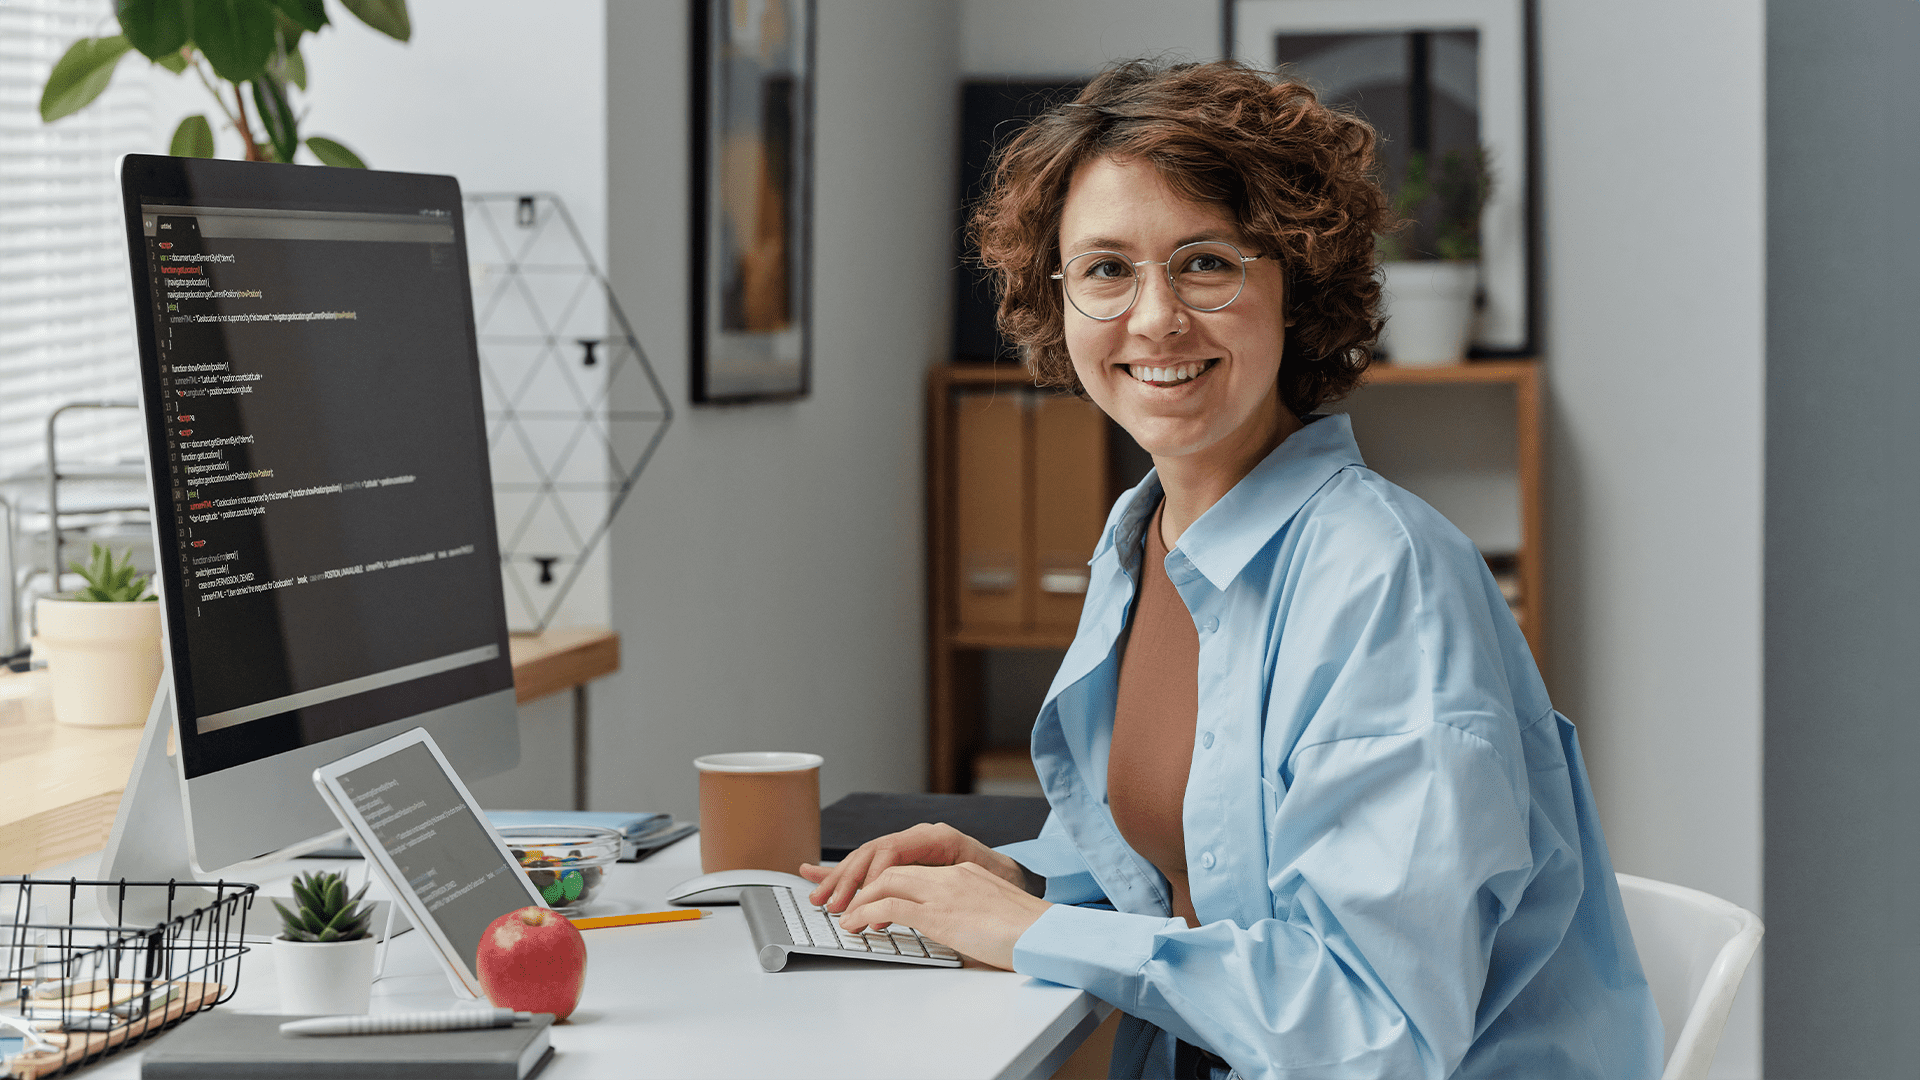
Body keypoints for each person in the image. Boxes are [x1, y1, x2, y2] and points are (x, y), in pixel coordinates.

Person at [801, 59, 1662, 1080]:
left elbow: (1372, 1027)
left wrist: (1030, 935)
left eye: (1206, 263)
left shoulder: (1386, 581)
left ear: (1295, 284)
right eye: (1106, 270)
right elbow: (1194, 880)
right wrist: (1020, 884)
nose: (1155, 318)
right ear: (1059, 298)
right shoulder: (1149, 539)